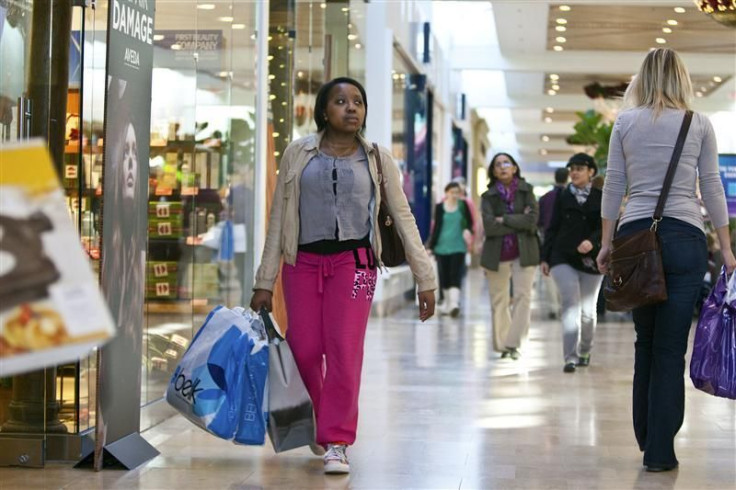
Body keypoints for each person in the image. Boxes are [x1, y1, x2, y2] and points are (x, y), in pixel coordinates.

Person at [250, 77, 436, 475]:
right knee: (302, 349)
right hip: (300, 264)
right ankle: (320, 420)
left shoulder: (377, 158)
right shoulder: (298, 154)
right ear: (323, 111)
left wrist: (426, 278)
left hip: (356, 265)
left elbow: (403, 218)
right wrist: (264, 281)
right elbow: (279, 219)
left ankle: (337, 440)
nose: (351, 108)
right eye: (340, 101)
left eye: (358, 102)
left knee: (344, 350)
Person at [596, 48, 736, 473]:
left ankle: (646, 434)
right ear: (681, 78)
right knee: (671, 348)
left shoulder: (625, 123)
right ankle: (661, 449)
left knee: (646, 343)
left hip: (635, 239)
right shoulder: (699, 124)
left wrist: (606, 243)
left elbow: (614, 185)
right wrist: (727, 248)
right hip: (685, 239)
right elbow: (711, 187)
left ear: (643, 78)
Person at [541, 153, 603, 373]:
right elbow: (552, 227)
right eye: (572, 169)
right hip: (562, 256)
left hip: (592, 260)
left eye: (579, 168)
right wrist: (545, 257)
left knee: (588, 311)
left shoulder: (600, 196)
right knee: (570, 304)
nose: (574, 172)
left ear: (591, 172)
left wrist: (592, 242)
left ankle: (585, 350)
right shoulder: (562, 196)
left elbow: (607, 228)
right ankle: (570, 356)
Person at [480, 152, 539, 360]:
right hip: (497, 255)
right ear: (493, 171)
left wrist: (503, 218)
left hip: (525, 252)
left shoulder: (527, 190)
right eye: (498, 164)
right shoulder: (487, 197)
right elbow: (490, 227)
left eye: (507, 163)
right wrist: (517, 221)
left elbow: (532, 221)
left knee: (524, 297)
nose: (503, 166)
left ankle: (514, 343)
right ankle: (503, 344)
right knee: (499, 301)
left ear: (514, 168)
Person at [427, 182, 473, 317]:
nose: (454, 195)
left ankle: (454, 303)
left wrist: (467, 231)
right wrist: (431, 246)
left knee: (455, 274)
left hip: (458, 246)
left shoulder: (463, 206)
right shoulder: (440, 207)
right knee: (444, 275)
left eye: (457, 192)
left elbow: (470, 223)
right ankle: (447, 303)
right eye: (452, 192)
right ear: (446, 193)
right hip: (441, 246)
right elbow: (436, 228)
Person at [537, 167, 568, 319]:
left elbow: (538, 221)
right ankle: (563, 305)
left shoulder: (545, 198)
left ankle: (553, 307)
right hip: (564, 240)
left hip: (547, 240)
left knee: (547, 274)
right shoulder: (570, 196)